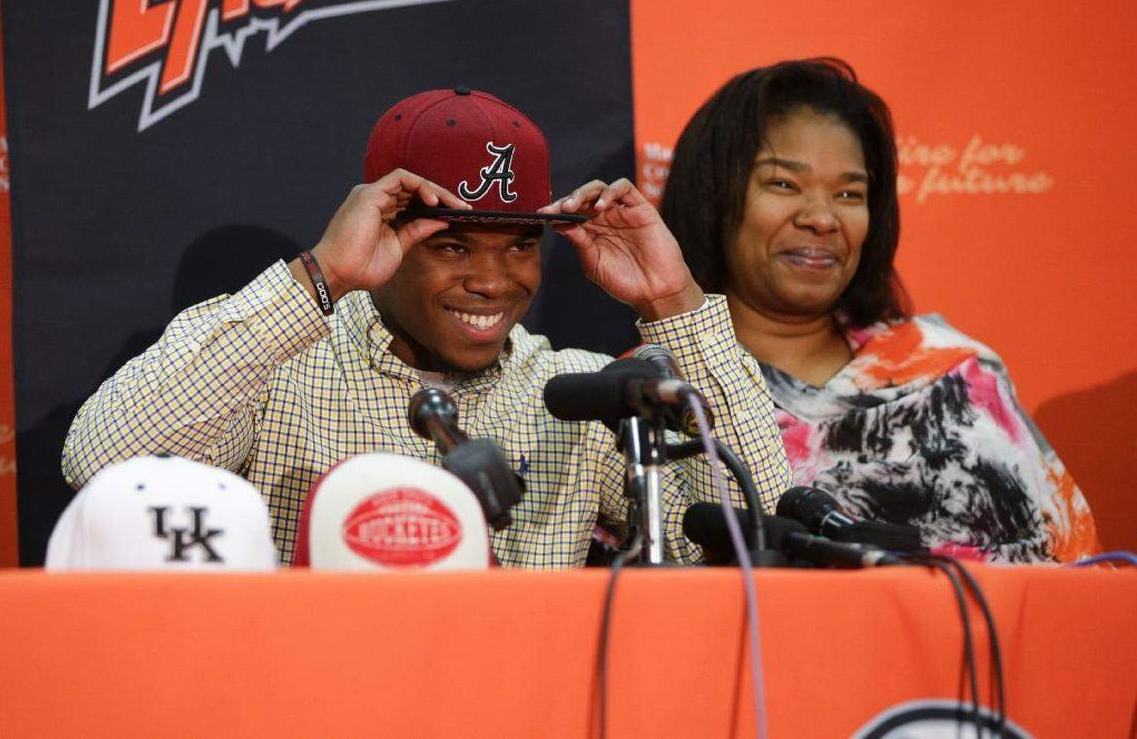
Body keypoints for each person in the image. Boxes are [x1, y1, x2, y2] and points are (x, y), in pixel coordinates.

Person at [62, 87, 790, 567]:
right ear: (382, 232)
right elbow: (102, 464)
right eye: (451, 245)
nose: (493, 280)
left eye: (519, 243)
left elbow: (746, 538)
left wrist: (675, 301)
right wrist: (326, 277)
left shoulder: (574, 394)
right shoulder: (278, 364)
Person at [661, 59, 1100, 563]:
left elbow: (1078, 570)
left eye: (849, 193)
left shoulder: (957, 375)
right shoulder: (653, 397)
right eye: (784, 184)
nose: (822, 218)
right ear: (713, 197)